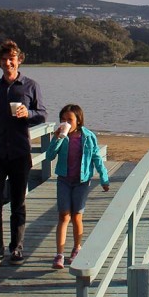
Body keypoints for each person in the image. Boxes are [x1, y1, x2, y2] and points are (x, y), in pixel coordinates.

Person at [0, 39, 47, 272]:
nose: (8, 62)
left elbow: (42, 115)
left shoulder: (30, 85)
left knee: (18, 204)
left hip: (20, 153)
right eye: (4, 59)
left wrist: (26, 113)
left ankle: (16, 247)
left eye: (12, 58)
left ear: (19, 59)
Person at [44, 103, 109, 269]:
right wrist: (57, 138)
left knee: (77, 216)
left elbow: (96, 158)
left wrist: (104, 178)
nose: (66, 122)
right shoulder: (60, 137)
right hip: (64, 180)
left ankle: (77, 248)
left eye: (69, 120)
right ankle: (59, 254)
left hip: (82, 181)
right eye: (63, 120)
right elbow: (50, 156)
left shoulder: (88, 137)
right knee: (64, 216)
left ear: (78, 121)